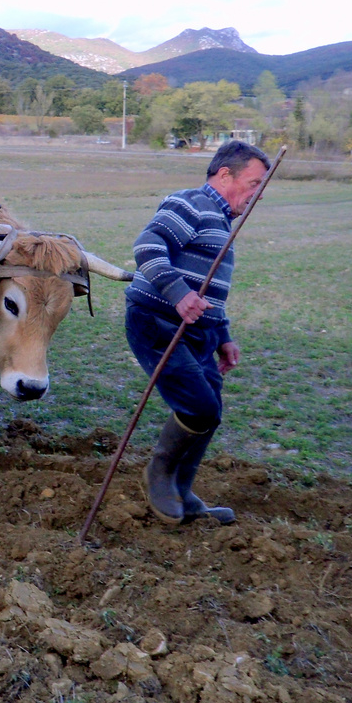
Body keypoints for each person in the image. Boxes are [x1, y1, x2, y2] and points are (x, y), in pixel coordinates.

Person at [124, 140, 270, 526]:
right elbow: (147, 245)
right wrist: (178, 293)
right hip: (157, 323)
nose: (257, 194)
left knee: (212, 412)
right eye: (254, 184)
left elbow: (209, 289)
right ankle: (158, 475)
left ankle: (183, 492)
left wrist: (223, 335)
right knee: (199, 407)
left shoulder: (221, 223)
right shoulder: (189, 203)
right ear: (225, 175)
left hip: (197, 333)